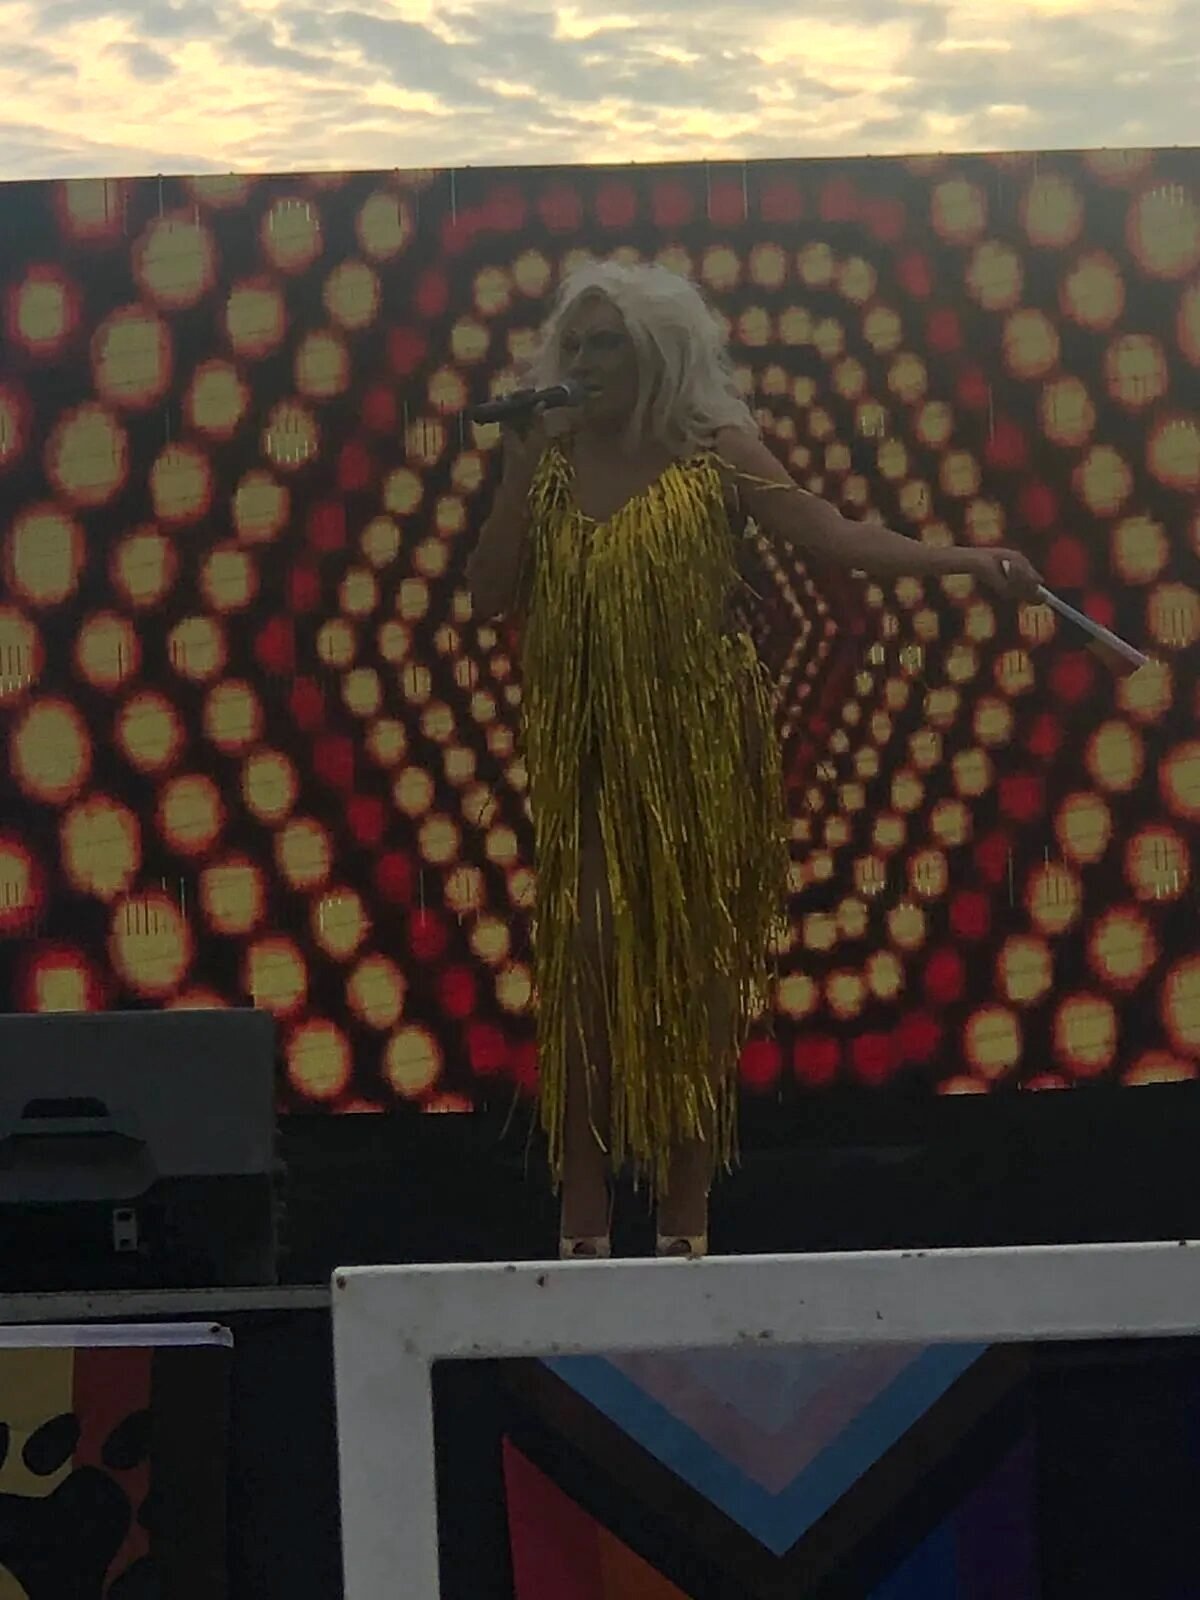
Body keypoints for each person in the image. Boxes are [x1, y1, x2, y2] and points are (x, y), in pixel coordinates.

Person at [466, 259, 1040, 1262]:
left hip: (701, 747)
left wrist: (959, 560)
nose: (587, 361)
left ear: (657, 352)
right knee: (587, 965)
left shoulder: (714, 450)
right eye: (577, 343)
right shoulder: (547, 461)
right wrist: (517, 470)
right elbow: (487, 594)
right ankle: (583, 1226)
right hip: (590, 750)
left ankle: (684, 1223)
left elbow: (832, 535)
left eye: (610, 343)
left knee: (695, 974)